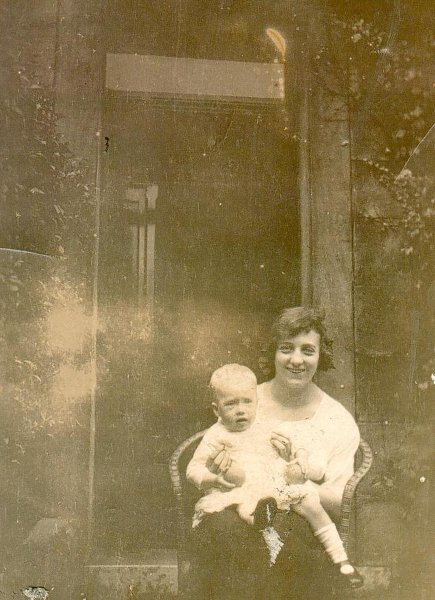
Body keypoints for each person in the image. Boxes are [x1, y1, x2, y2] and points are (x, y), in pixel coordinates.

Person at [188, 307, 362, 600]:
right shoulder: (244, 397)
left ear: (321, 357)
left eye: (308, 350)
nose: (296, 360)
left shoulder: (337, 419)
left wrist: (293, 482)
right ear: (273, 354)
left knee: (284, 540)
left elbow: (339, 500)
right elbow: (216, 449)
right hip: (238, 509)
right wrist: (219, 474)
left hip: (299, 519)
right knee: (223, 532)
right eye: (286, 349)